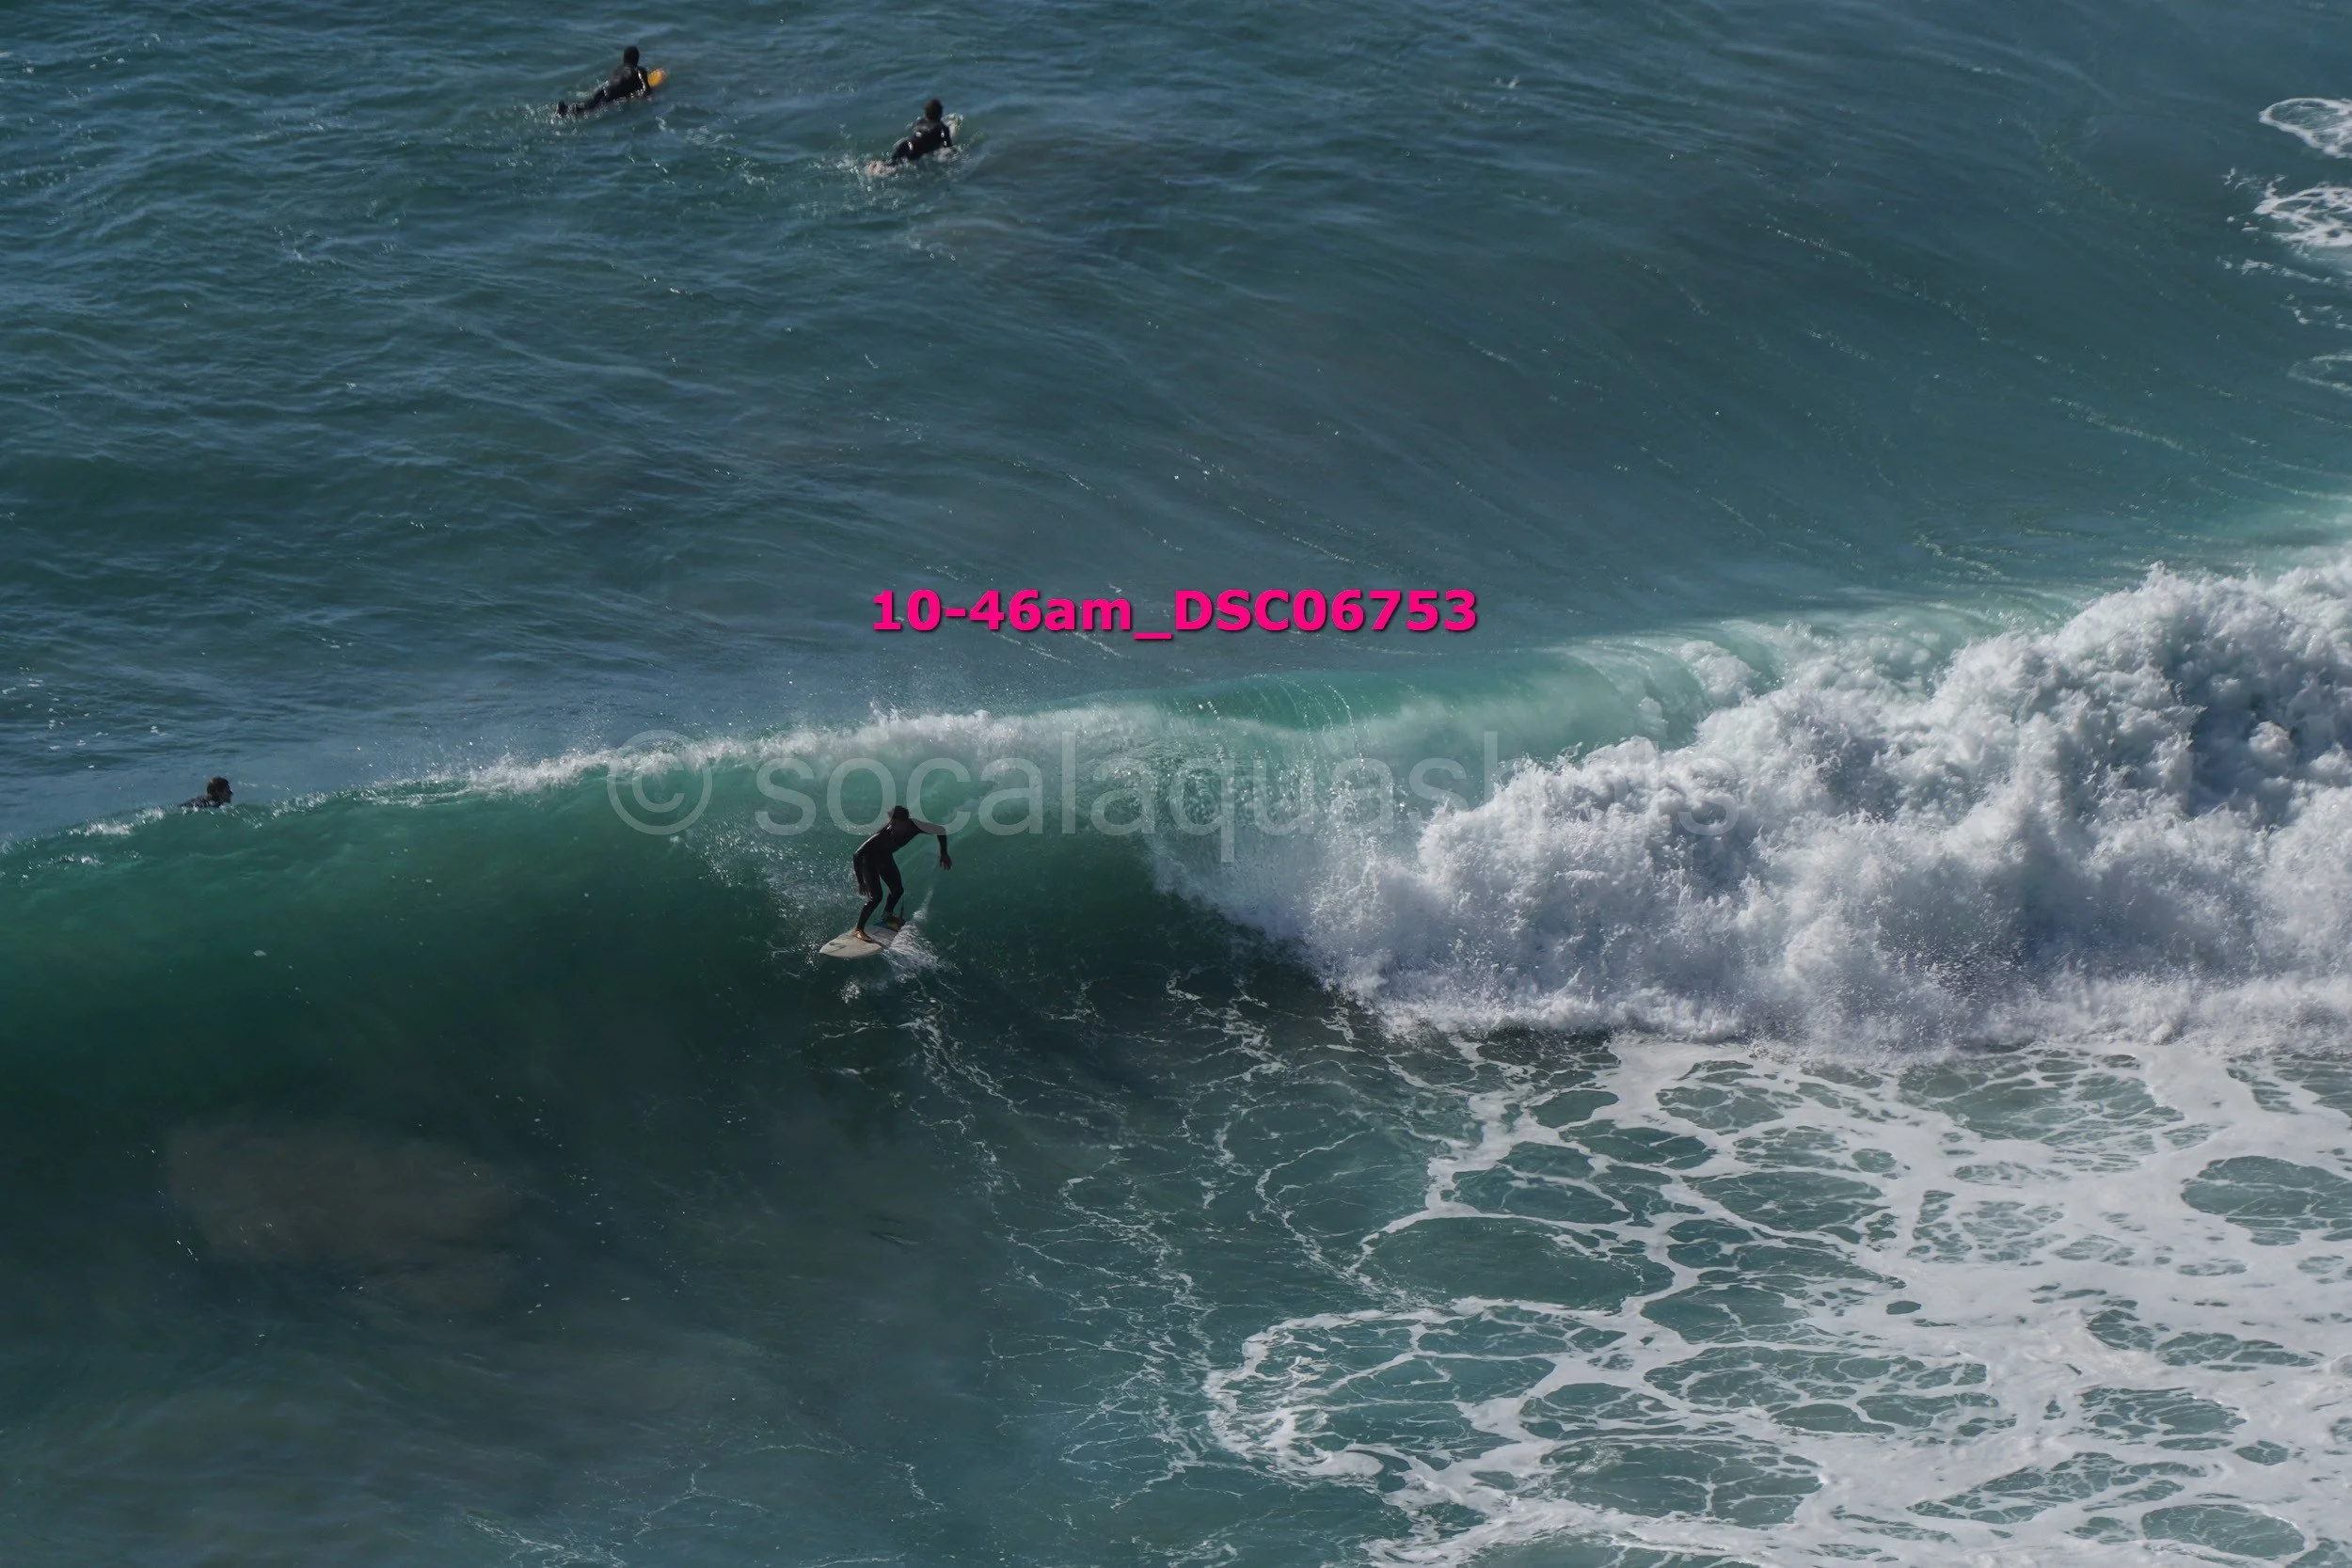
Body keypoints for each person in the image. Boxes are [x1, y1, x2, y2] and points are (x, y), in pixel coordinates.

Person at [853, 805, 949, 939]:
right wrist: (860, 881)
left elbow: (940, 830)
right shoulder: (882, 835)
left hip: (885, 858)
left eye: (895, 824)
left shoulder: (915, 826)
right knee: (876, 897)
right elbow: (857, 854)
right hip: (869, 860)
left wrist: (943, 853)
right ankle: (858, 929)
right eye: (890, 823)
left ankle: (887, 916)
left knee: (897, 890)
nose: (890, 827)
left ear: (905, 823)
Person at [558, 47, 649, 118]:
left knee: (589, 104)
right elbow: (646, 89)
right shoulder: (639, 70)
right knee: (593, 109)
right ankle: (570, 111)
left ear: (623, 59)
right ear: (637, 58)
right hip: (614, 92)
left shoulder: (618, 69)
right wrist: (638, 96)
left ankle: (566, 109)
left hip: (603, 88)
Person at [889, 100, 953, 165]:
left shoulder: (920, 122)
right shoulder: (942, 127)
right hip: (918, 149)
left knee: (890, 163)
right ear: (940, 113)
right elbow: (947, 147)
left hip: (905, 144)